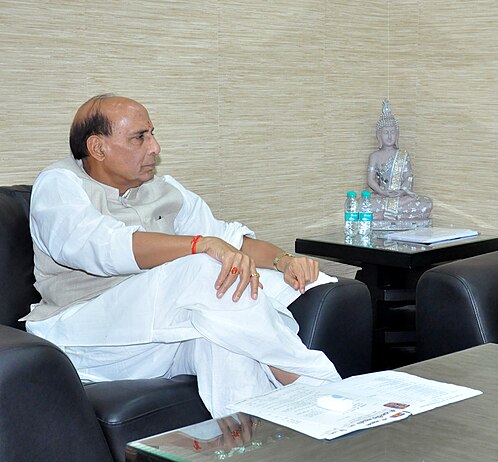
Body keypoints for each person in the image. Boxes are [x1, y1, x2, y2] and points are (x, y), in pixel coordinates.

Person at [23, 94, 341, 417]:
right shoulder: (59, 184)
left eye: (152, 133)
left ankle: (257, 443)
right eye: (140, 137)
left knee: (228, 337)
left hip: (158, 339)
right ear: (98, 148)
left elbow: (229, 238)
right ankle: (321, 392)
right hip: (85, 337)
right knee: (206, 268)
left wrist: (284, 261)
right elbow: (103, 246)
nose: (155, 147)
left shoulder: (163, 189)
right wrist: (199, 244)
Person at [366, 100, 432, 222]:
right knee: (363, 205)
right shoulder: (374, 156)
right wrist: (383, 192)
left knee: (426, 203)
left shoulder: (403, 155)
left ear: (397, 135)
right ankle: (397, 215)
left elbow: (409, 177)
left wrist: (402, 191)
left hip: (401, 197)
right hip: (381, 196)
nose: (390, 136)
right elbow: (371, 180)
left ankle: (384, 215)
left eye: (392, 132)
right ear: (379, 135)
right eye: (386, 132)